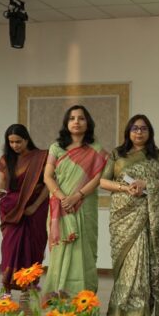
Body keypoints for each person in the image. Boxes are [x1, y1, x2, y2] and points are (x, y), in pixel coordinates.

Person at [100, 114, 159, 316]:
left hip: (148, 215)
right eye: (135, 128)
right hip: (122, 215)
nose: (139, 132)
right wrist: (125, 188)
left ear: (150, 132)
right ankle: (121, 307)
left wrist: (146, 185)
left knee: (142, 259)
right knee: (126, 261)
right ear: (128, 132)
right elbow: (103, 181)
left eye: (144, 128)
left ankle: (138, 308)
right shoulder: (117, 154)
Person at [42, 105, 107, 294]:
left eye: (81, 118)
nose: (76, 122)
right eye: (72, 118)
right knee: (60, 250)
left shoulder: (96, 150)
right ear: (66, 123)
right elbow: (47, 177)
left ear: (88, 123)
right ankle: (57, 293)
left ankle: (82, 297)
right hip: (60, 207)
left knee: (84, 251)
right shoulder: (56, 148)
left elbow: (98, 178)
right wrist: (64, 199)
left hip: (84, 206)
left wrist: (77, 196)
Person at [0, 124, 48, 292]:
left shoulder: (41, 157)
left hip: (35, 209)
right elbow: (2, 186)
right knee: (10, 247)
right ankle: (7, 287)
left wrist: (34, 206)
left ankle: (29, 285)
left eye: (18, 142)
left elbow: (48, 185)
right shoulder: (5, 160)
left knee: (33, 246)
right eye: (11, 142)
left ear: (26, 139)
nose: (14, 146)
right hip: (11, 210)